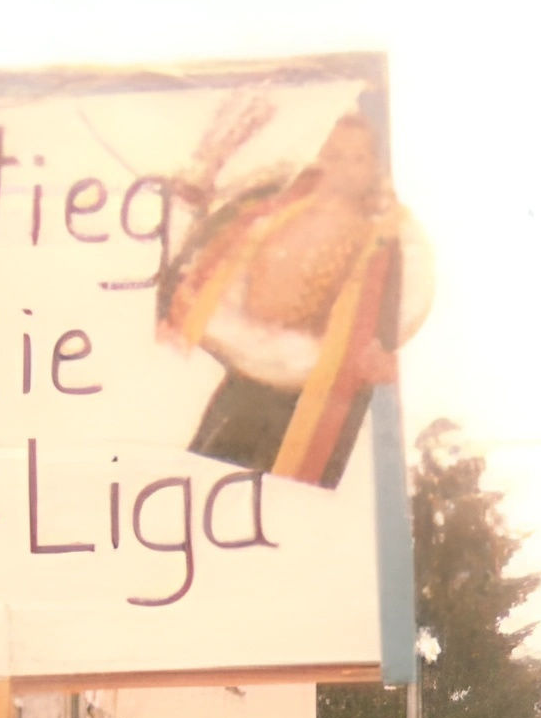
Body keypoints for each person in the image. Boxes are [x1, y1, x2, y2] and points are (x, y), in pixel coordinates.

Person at [157, 105, 434, 488]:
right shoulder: (275, 206)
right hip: (249, 377)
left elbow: (394, 322)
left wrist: (382, 358)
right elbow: (210, 254)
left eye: (358, 158)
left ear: (375, 167)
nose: (344, 167)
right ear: (320, 158)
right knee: (211, 479)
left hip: (317, 395)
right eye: (334, 155)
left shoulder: (385, 241)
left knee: (285, 497)